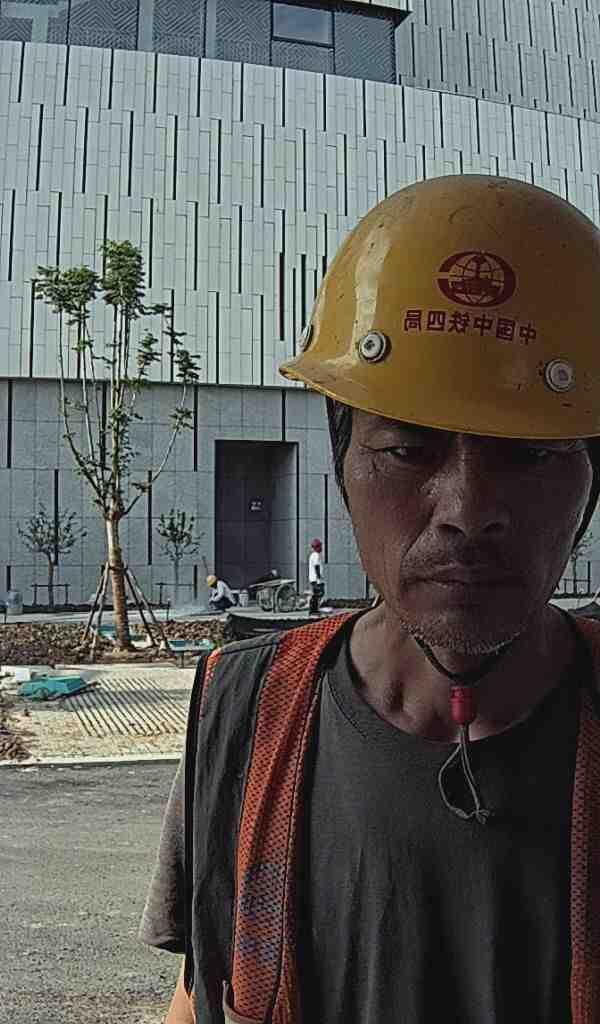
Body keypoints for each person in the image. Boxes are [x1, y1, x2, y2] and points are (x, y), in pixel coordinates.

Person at [140, 175, 600, 1024]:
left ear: (590, 483)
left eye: (531, 456)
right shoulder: (244, 711)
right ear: (344, 465)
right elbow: (202, 994)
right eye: (407, 451)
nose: (468, 510)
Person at [307, 538, 324, 615]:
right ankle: (313, 610)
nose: (321, 548)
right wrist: (319, 577)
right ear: (317, 547)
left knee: (316, 594)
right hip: (316, 579)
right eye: (320, 546)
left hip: (314, 579)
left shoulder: (313, 555)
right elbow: (317, 566)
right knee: (318, 594)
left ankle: (314, 610)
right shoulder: (316, 555)